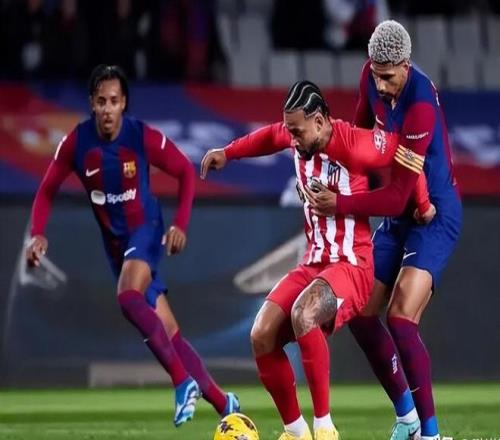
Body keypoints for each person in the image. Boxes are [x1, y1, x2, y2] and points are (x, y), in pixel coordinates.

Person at [200, 80, 431, 440]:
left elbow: (405, 154)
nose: (291, 140)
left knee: (304, 313)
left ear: (320, 121)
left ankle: (325, 429)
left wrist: (423, 203)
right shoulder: (297, 134)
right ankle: (296, 432)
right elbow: (269, 137)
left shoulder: (355, 144)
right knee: (261, 334)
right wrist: (227, 153)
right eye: (289, 131)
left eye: (297, 132)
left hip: (352, 265)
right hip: (314, 263)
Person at [25, 64, 240, 427]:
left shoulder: (141, 136)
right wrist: (38, 233)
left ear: (123, 102)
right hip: (116, 246)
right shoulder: (76, 143)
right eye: (101, 101)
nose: (108, 108)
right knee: (169, 332)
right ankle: (225, 404)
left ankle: (182, 382)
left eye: (114, 101)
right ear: (92, 104)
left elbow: (185, 171)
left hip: (146, 229)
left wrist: (180, 224)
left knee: (127, 297)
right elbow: (46, 190)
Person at [307, 21, 462, 440]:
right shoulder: (371, 76)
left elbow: (396, 196)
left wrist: (340, 204)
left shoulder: (420, 106)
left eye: (389, 77)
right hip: (400, 216)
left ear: (406, 66)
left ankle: (430, 435)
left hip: (434, 216)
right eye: (375, 74)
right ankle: (407, 418)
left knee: (400, 317)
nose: (381, 85)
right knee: (360, 312)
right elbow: (358, 143)